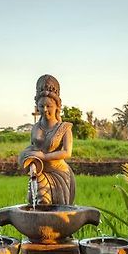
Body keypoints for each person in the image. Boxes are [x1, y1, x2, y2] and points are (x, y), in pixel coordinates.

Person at [18, 74, 76, 205]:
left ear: (57, 106)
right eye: (41, 106)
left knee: (54, 211)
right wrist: (28, 157)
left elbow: (67, 152)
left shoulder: (64, 128)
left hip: (59, 174)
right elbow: (33, 148)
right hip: (39, 172)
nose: (45, 110)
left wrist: (43, 156)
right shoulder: (36, 127)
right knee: (36, 205)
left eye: (49, 106)